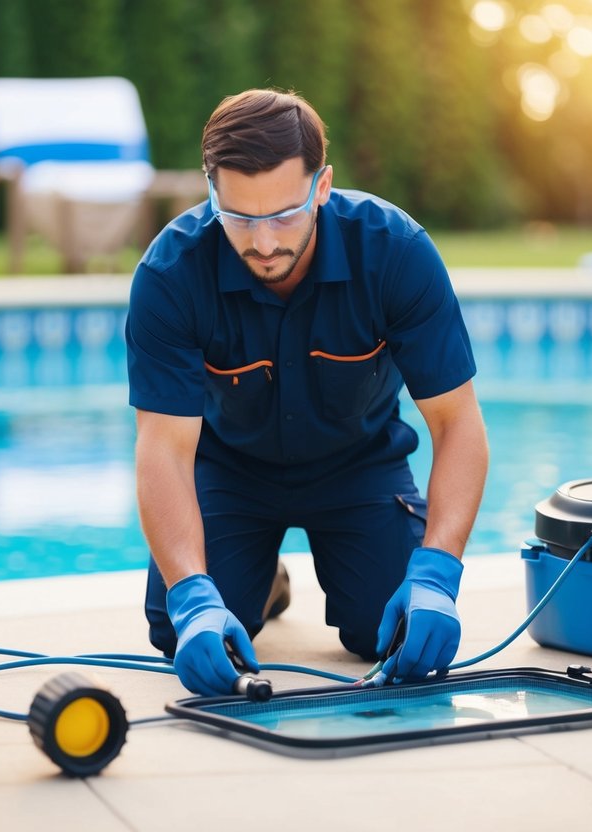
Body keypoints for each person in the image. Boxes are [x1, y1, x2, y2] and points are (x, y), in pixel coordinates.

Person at [125, 89, 488, 696]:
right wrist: (190, 596)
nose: (264, 243)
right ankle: (258, 580)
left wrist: (438, 573)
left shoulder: (397, 253)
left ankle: (285, 575)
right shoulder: (169, 275)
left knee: (393, 632)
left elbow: (458, 424)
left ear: (322, 186)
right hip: (229, 471)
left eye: (285, 215)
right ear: (212, 190)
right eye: (240, 217)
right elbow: (162, 449)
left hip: (359, 466)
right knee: (177, 631)